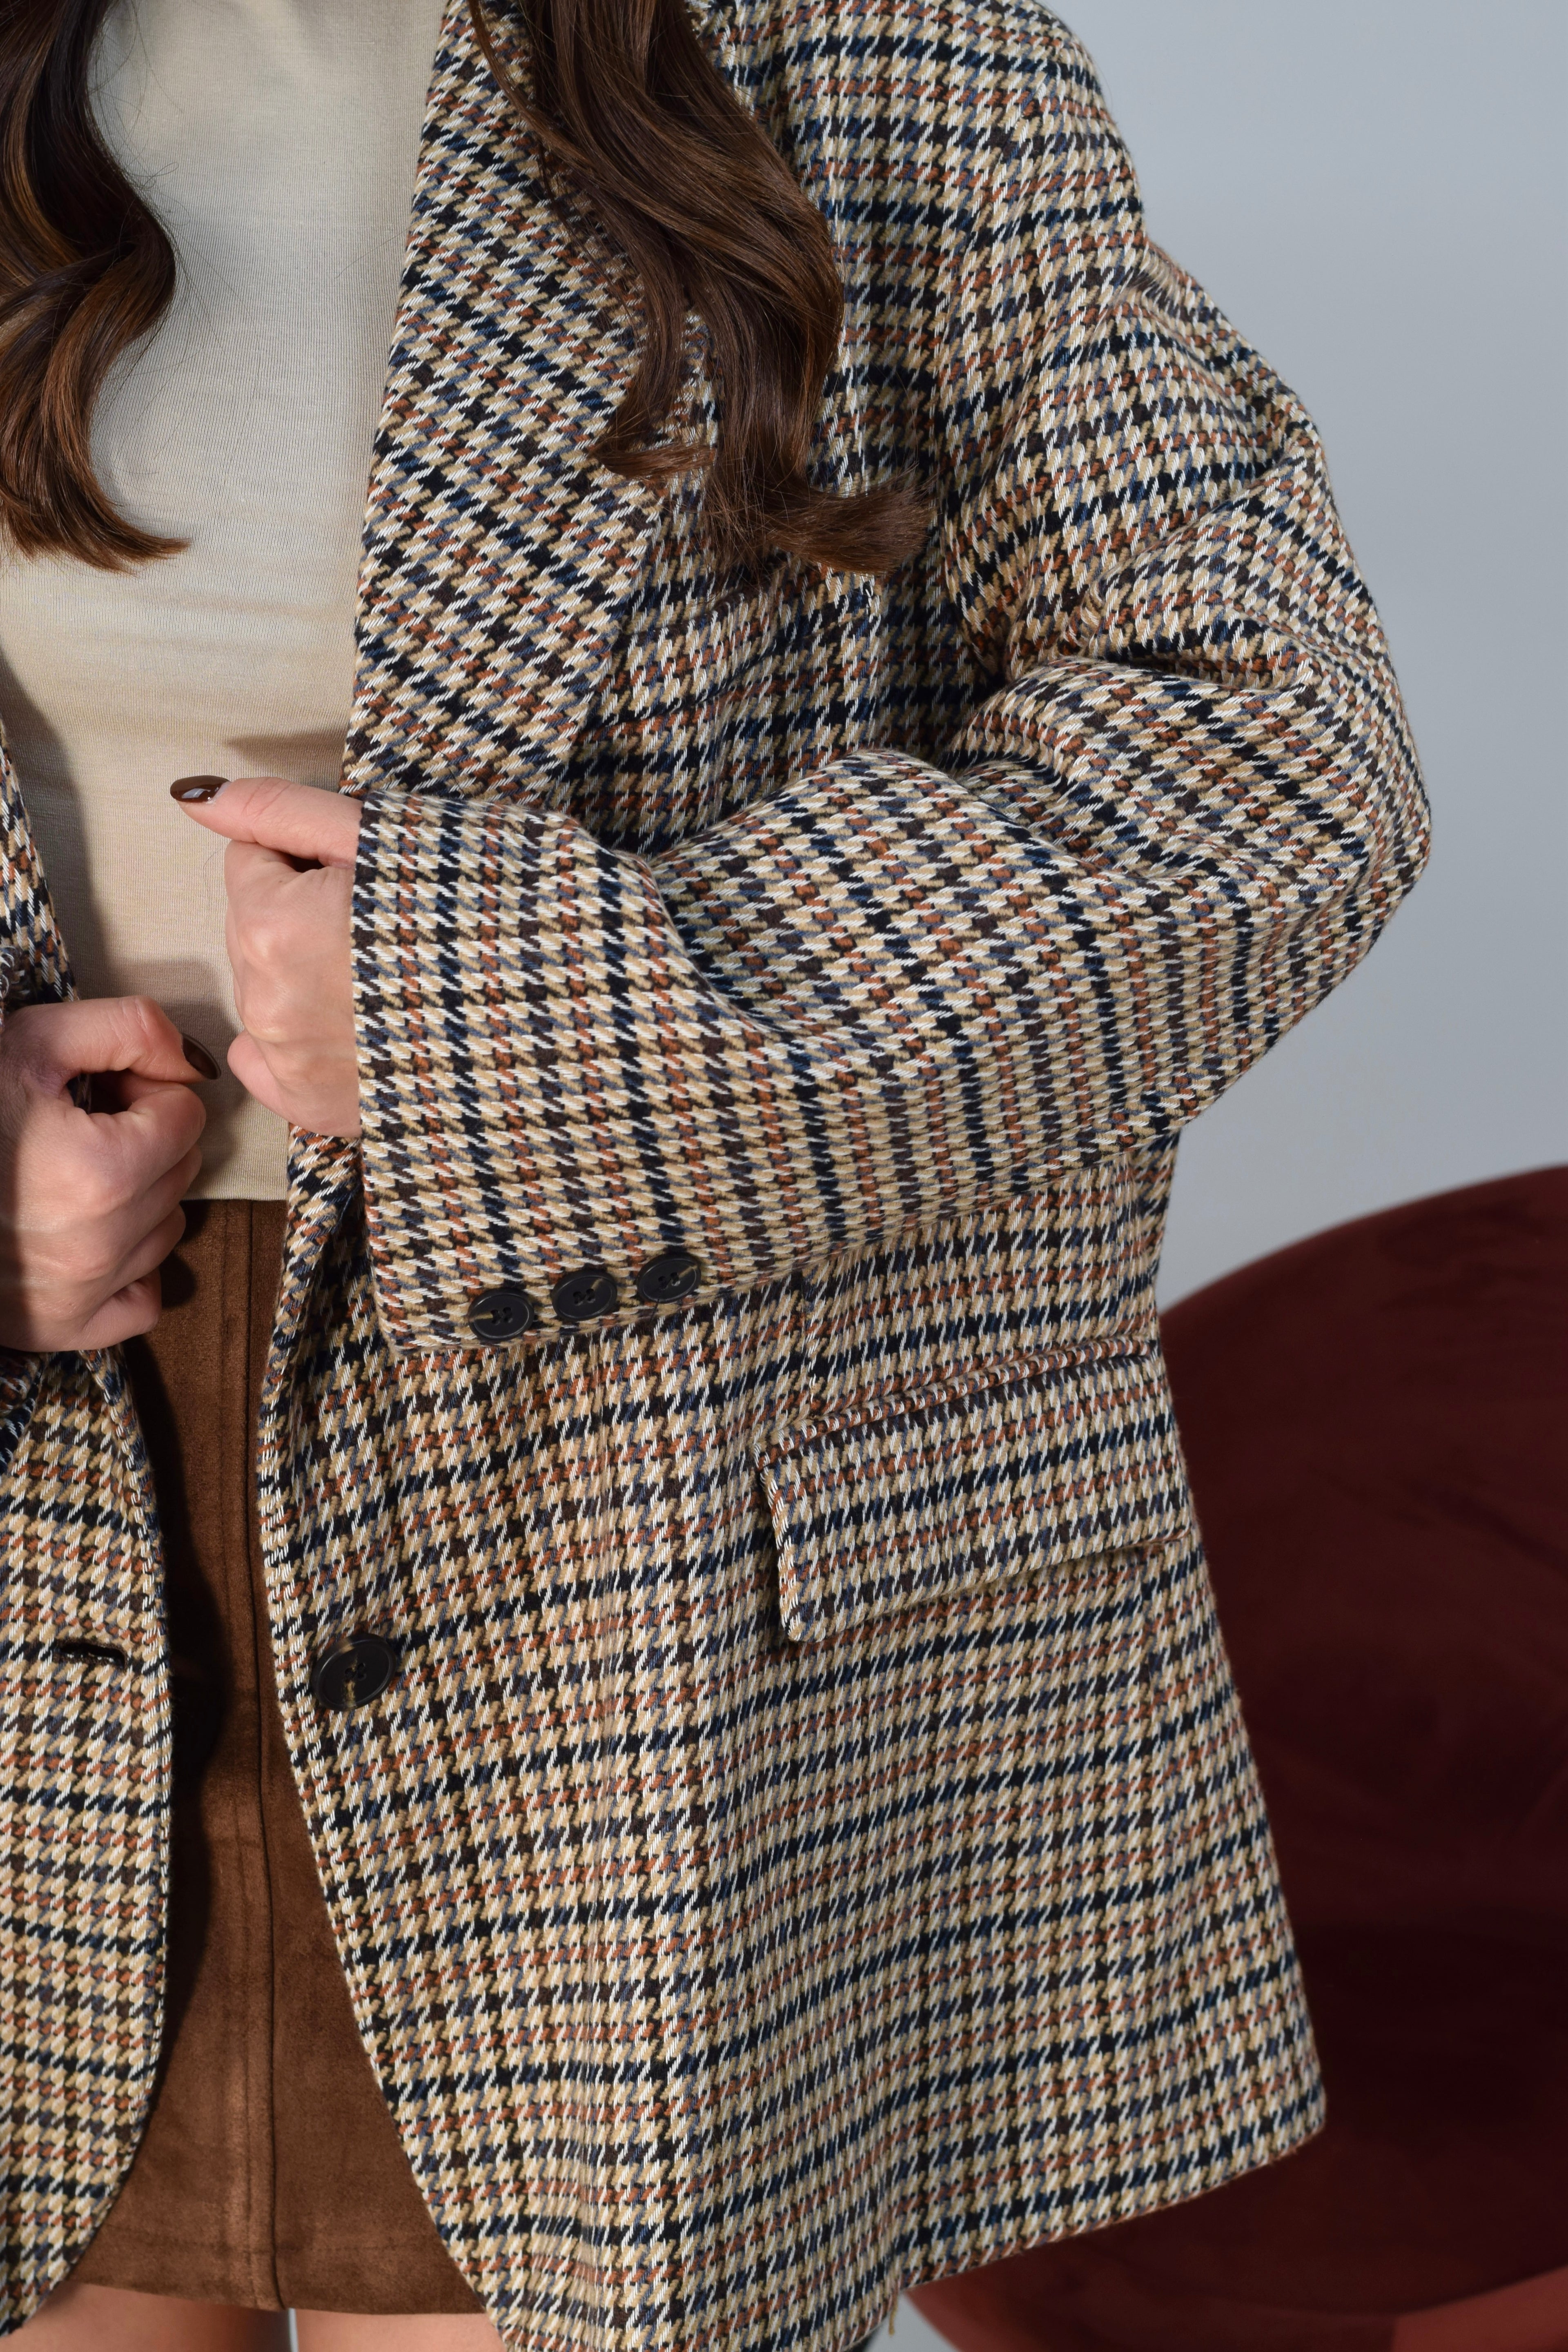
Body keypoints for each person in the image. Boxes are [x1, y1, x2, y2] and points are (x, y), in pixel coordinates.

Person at [0, 0, 1429, 2344]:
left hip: (642, 1508)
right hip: (51, 1460)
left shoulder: (875, 48)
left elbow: (1268, 764)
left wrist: (506, 1009)